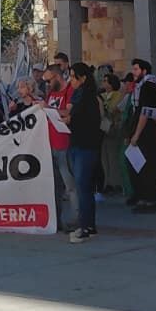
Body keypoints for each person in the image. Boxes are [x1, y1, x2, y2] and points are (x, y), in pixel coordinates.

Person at [66, 63, 102, 243]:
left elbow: (73, 116)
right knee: (84, 187)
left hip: (85, 145)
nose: (70, 80)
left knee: (82, 187)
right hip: (79, 143)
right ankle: (89, 225)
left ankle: (85, 226)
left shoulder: (87, 97)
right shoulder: (79, 94)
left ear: (83, 78)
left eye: (73, 77)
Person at [125, 59, 156, 213]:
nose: (133, 73)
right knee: (136, 165)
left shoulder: (148, 86)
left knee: (146, 167)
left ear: (144, 71)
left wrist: (136, 135)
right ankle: (140, 196)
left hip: (147, 133)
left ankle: (149, 200)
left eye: (136, 69)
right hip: (142, 131)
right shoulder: (141, 86)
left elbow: (145, 111)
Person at [42, 64, 78, 229]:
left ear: (57, 77)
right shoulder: (51, 93)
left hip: (65, 143)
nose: (47, 84)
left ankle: (77, 218)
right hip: (50, 143)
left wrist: (48, 108)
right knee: (54, 185)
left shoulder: (69, 90)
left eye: (49, 80)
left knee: (69, 184)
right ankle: (57, 218)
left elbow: (68, 112)